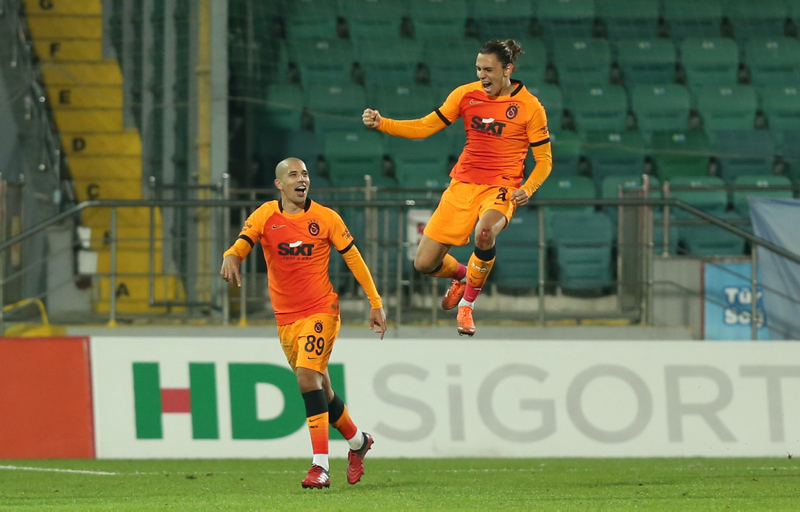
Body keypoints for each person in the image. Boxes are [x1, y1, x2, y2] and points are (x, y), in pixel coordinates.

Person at [362, 39, 553, 336]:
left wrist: (528, 188)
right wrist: (382, 124)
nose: (482, 75)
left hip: (500, 187)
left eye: (488, 70)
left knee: (485, 233)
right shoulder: (465, 95)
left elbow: (544, 161)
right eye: (478, 69)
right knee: (424, 263)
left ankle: (467, 305)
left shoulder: (530, 107)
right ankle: (465, 276)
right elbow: (424, 127)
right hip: (462, 184)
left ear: (508, 70)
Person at [220, 157, 387, 489]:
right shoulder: (266, 214)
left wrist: (376, 302)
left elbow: (354, 258)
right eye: (294, 174)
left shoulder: (326, 218)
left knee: (307, 378)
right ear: (279, 184)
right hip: (286, 319)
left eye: (306, 174)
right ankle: (358, 442)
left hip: (321, 310)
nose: (302, 179)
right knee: (321, 389)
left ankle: (320, 467)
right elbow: (244, 240)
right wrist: (231, 254)